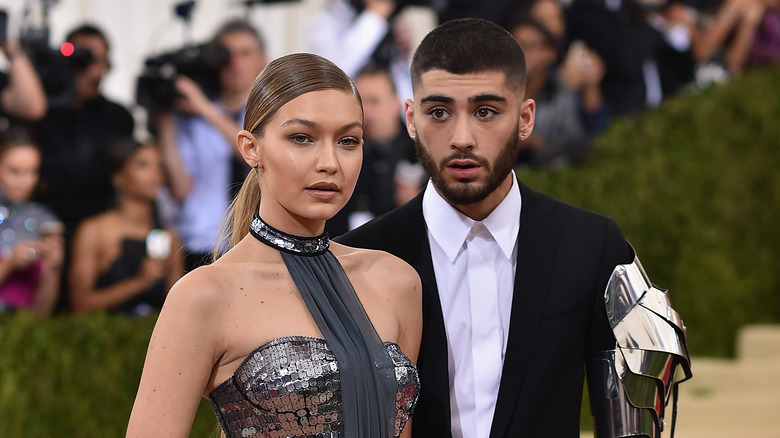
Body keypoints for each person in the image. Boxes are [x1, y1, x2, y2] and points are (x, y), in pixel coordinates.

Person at [338, 18, 690, 438]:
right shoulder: (356, 259)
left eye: (486, 111)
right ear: (411, 119)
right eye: (439, 112)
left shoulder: (591, 246)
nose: (462, 137)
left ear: (525, 118)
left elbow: (631, 421)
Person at [126, 53, 422, 438]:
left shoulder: (396, 281)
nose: (330, 162)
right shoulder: (204, 295)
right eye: (302, 138)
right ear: (251, 148)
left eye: (348, 141)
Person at [155, 19, 267, 272]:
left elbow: (254, 154)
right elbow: (181, 188)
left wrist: (204, 107)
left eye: (245, 53)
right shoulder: (191, 118)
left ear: (264, 59)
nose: (235, 63)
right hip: (203, 243)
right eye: (226, 55)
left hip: (259, 244)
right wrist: (165, 123)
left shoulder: (273, 110)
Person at [68, 139, 183, 317]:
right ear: (118, 176)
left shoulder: (169, 237)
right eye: (143, 165)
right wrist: (140, 282)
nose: (155, 174)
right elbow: (79, 304)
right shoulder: (94, 230)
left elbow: (177, 311)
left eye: (159, 167)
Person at [328, 64, 425, 235]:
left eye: (374, 101)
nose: (367, 111)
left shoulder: (419, 152)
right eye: (362, 102)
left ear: (396, 104)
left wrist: (417, 204)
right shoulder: (337, 151)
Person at [0, 125, 63, 318]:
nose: (24, 181)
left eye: (32, 172)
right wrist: (10, 264)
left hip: (23, 332)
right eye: (15, 171)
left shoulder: (45, 221)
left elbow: (42, 313)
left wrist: (54, 267)